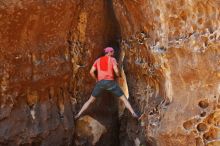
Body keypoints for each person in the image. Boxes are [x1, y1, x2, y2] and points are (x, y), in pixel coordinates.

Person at [74, 47, 138, 119]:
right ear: (109, 52)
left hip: (100, 83)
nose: (113, 53)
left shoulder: (98, 60)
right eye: (112, 51)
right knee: (124, 99)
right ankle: (133, 113)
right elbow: (116, 70)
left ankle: (78, 114)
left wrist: (96, 79)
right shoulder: (112, 59)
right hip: (110, 83)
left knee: (90, 100)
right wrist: (118, 75)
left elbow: (91, 72)